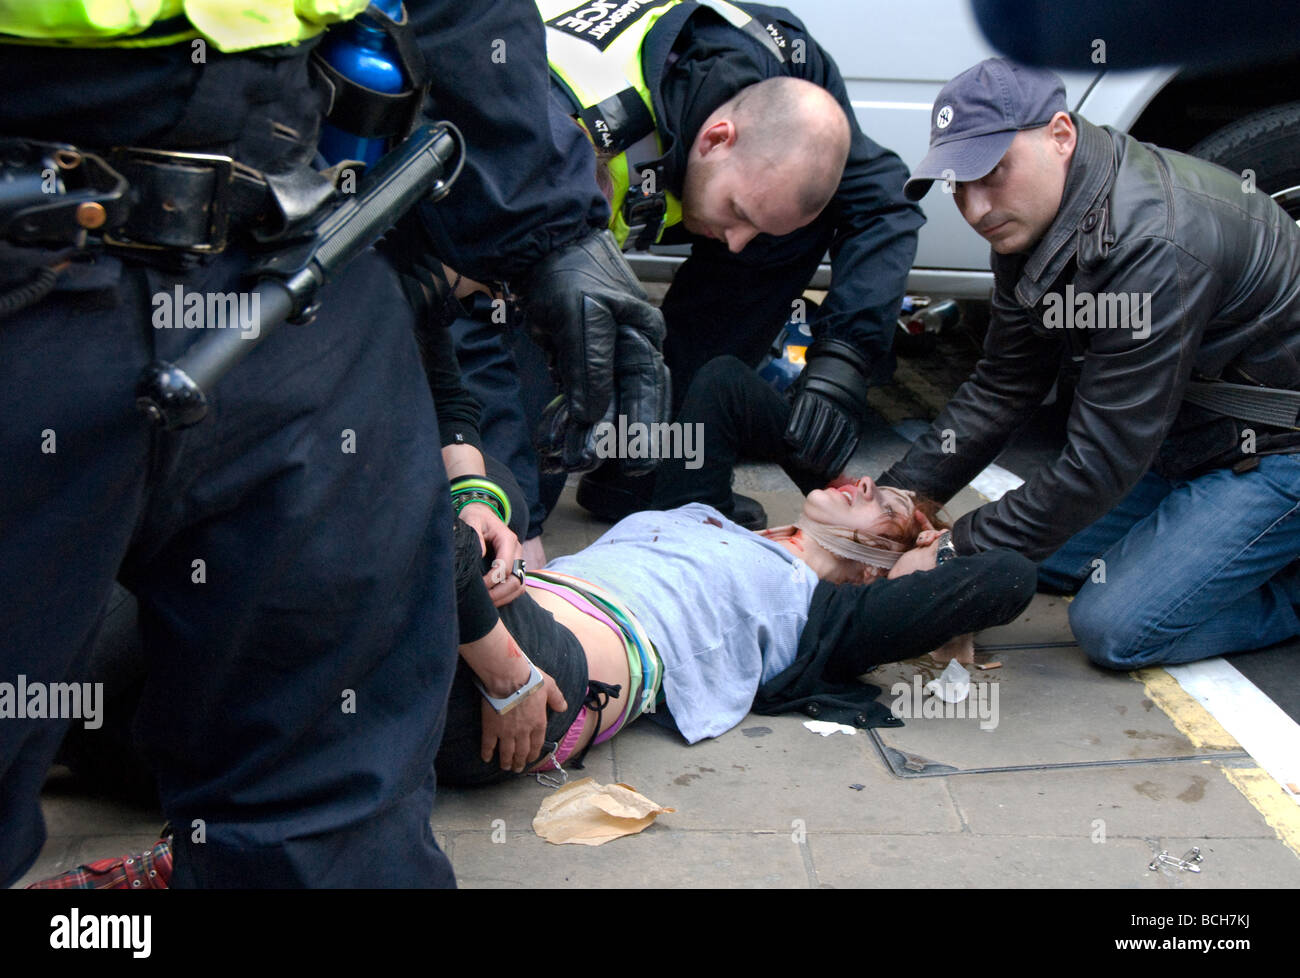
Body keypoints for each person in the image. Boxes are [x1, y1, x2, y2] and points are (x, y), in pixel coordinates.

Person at [0, 0, 659, 889]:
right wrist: (498, 649)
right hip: (38, 247)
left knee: (331, 825)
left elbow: (452, 418)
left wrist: (548, 229)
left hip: (283, 243)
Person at [449, 0, 926, 549]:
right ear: (717, 137)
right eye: (739, 213)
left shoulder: (786, 66)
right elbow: (472, 320)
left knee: (792, 221)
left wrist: (844, 359)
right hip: (523, 200)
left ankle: (648, 470)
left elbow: (883, 200)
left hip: (595, 180)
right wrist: (516, 517)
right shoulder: (554, 126)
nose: (740, 245)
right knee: (526, 475)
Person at [878, 57, 1300, 671]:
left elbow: (1103, 460)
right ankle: (1211, 547)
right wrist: (903, 497)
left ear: (1060, 135)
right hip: (1193, 443)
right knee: (1028, 556)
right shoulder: (1035, 218)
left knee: (1113, 626)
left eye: (993, 172)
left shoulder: (1155, 242)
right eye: (957, 184)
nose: (975, 207)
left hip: (1278, 452)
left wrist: (951, 552)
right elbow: (1004, 383)